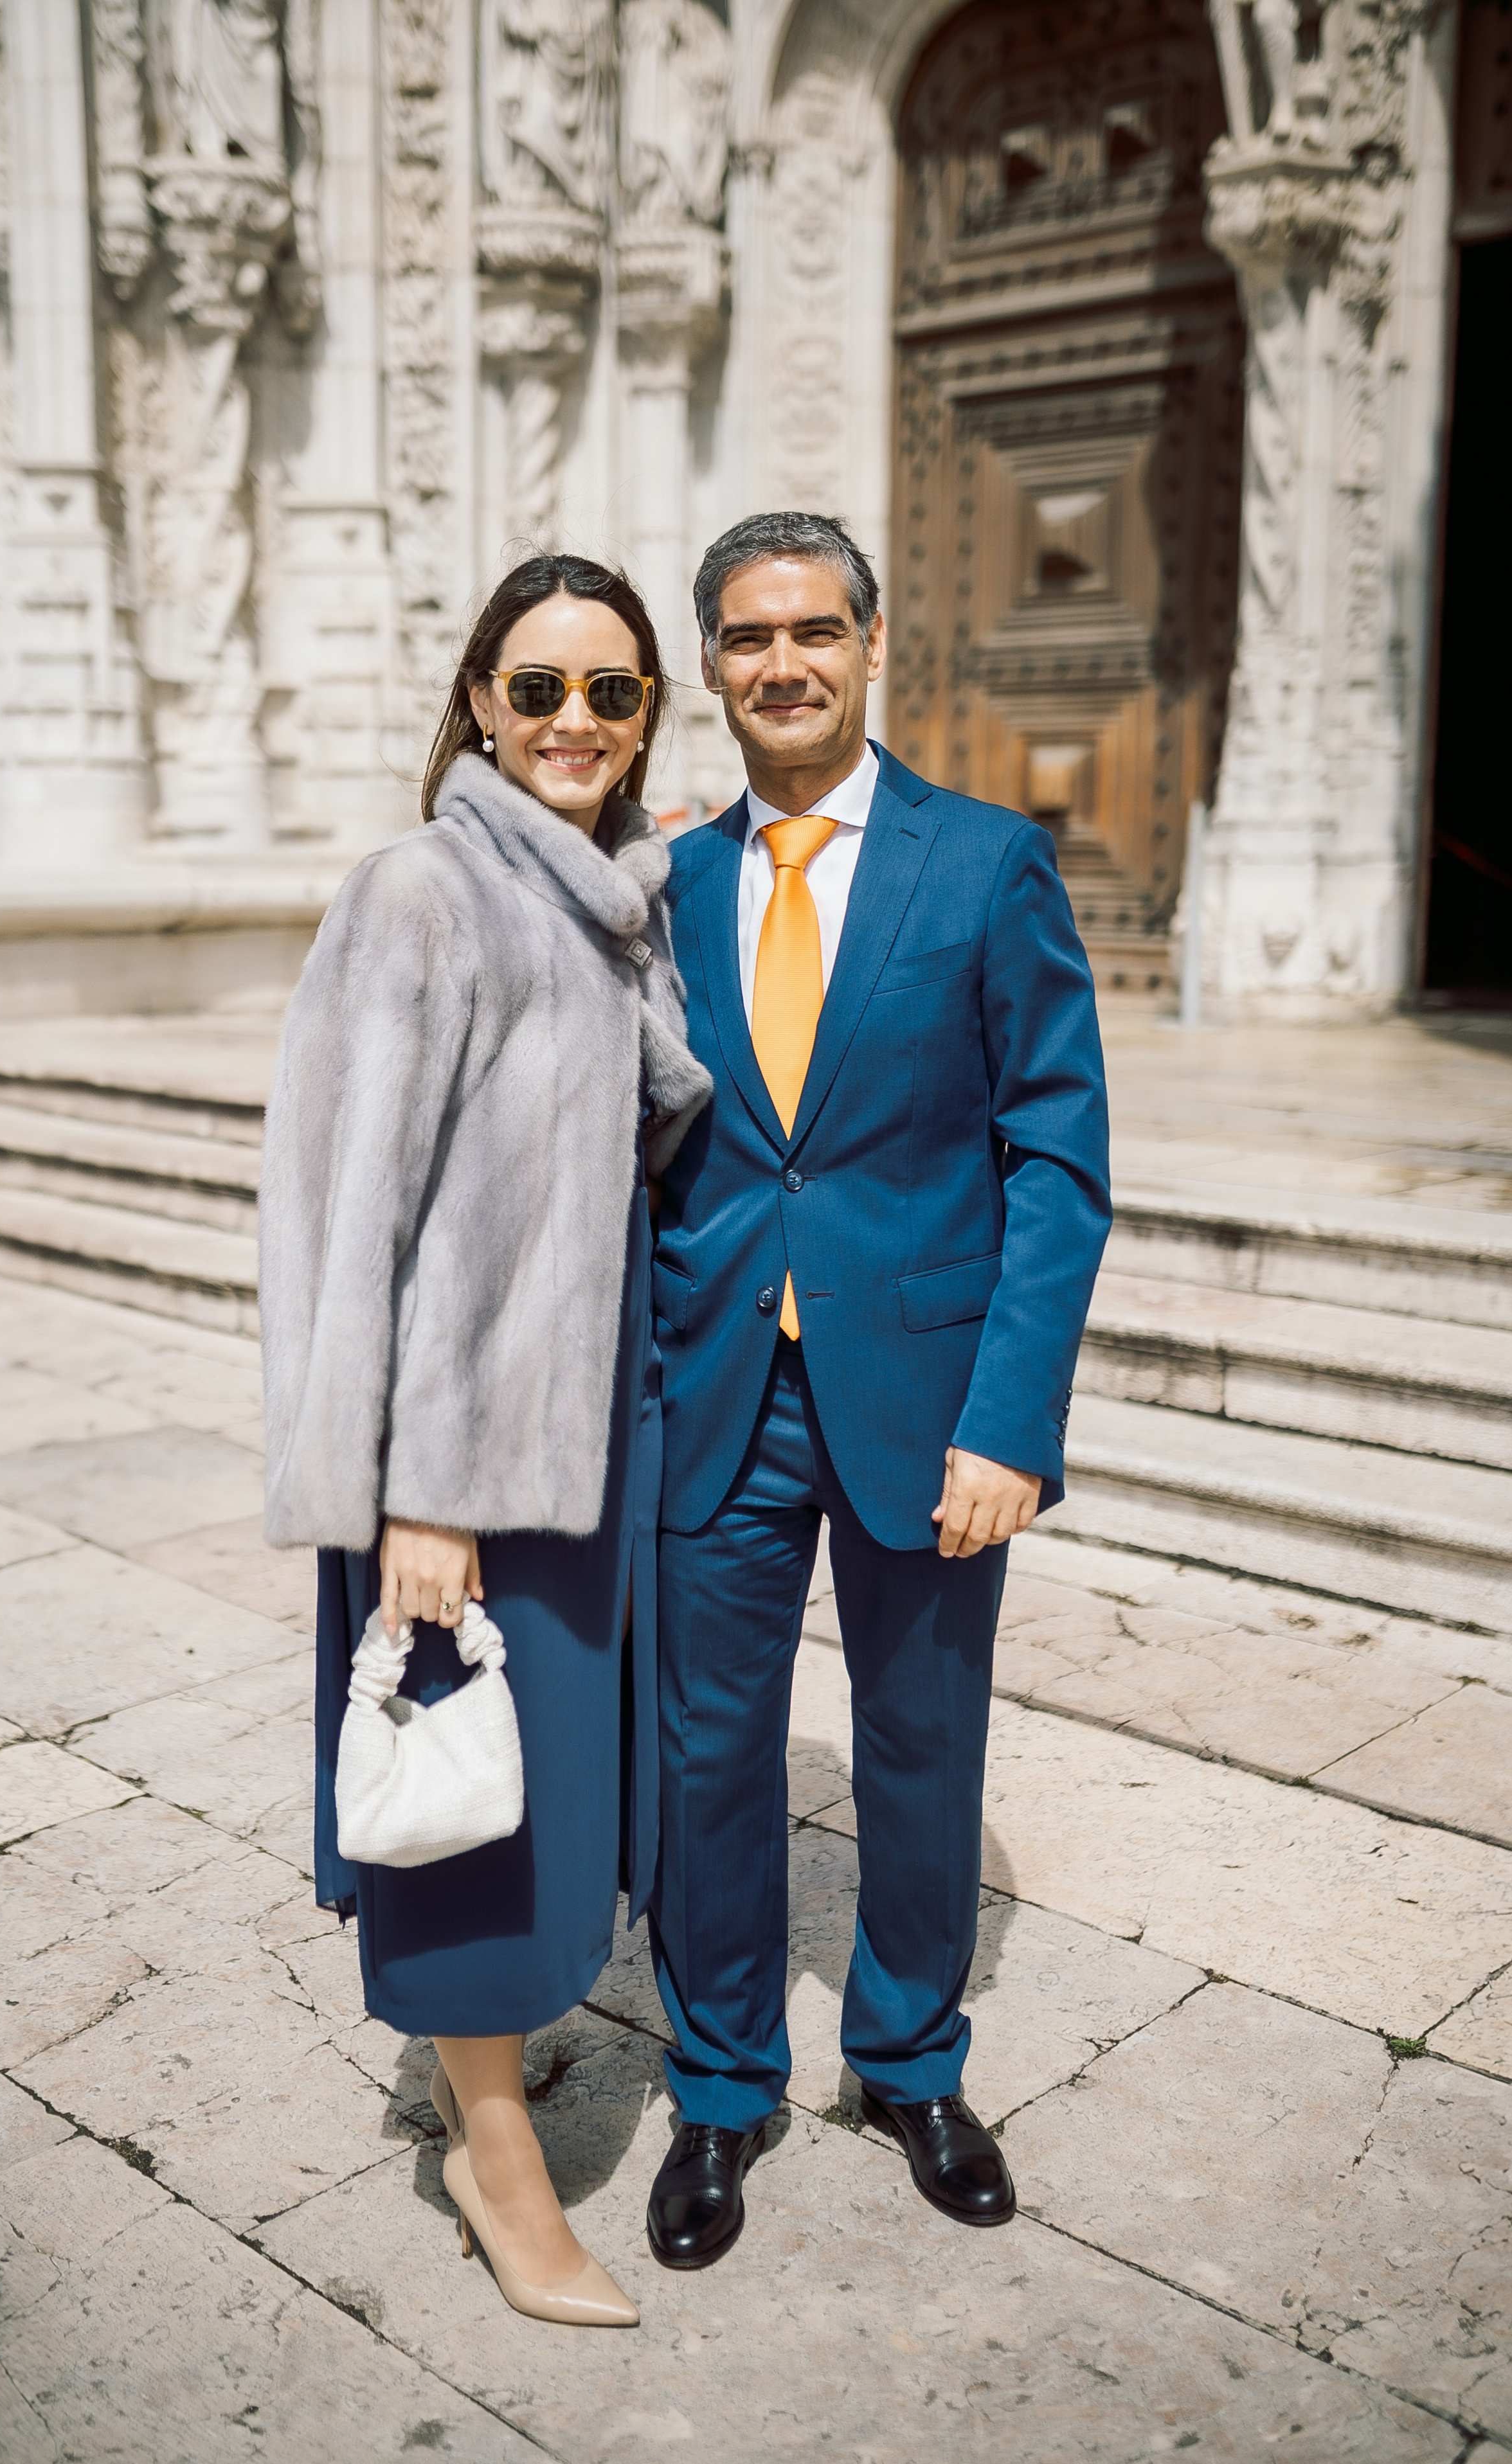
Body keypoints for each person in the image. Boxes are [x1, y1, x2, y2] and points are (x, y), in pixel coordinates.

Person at [644, 512, 1111, 2267]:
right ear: (712, 664)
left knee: (922, 1743)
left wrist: (1014, 1417)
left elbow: (1055, 1157)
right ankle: (719, 2085)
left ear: (870, 640)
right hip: (715, 1395)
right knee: (709, 1755)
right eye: (750, 638)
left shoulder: (984, 864)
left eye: (814, 632)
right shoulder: (665, 883)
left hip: (929, 1406)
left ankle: (912, 2062)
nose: (784, 664)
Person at [259, 553, 711, 2326]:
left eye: (613, 691)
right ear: (477, 706)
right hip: (462, 1461)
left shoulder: (610, 903)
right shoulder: (423, 891)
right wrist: (412, 1500)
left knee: (556, 1788)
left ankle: (494, 2069)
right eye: (540, 690)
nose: (577, 722)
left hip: (598, 1430)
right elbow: (343, 1213)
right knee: (467, 1811)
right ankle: (498, 2168)